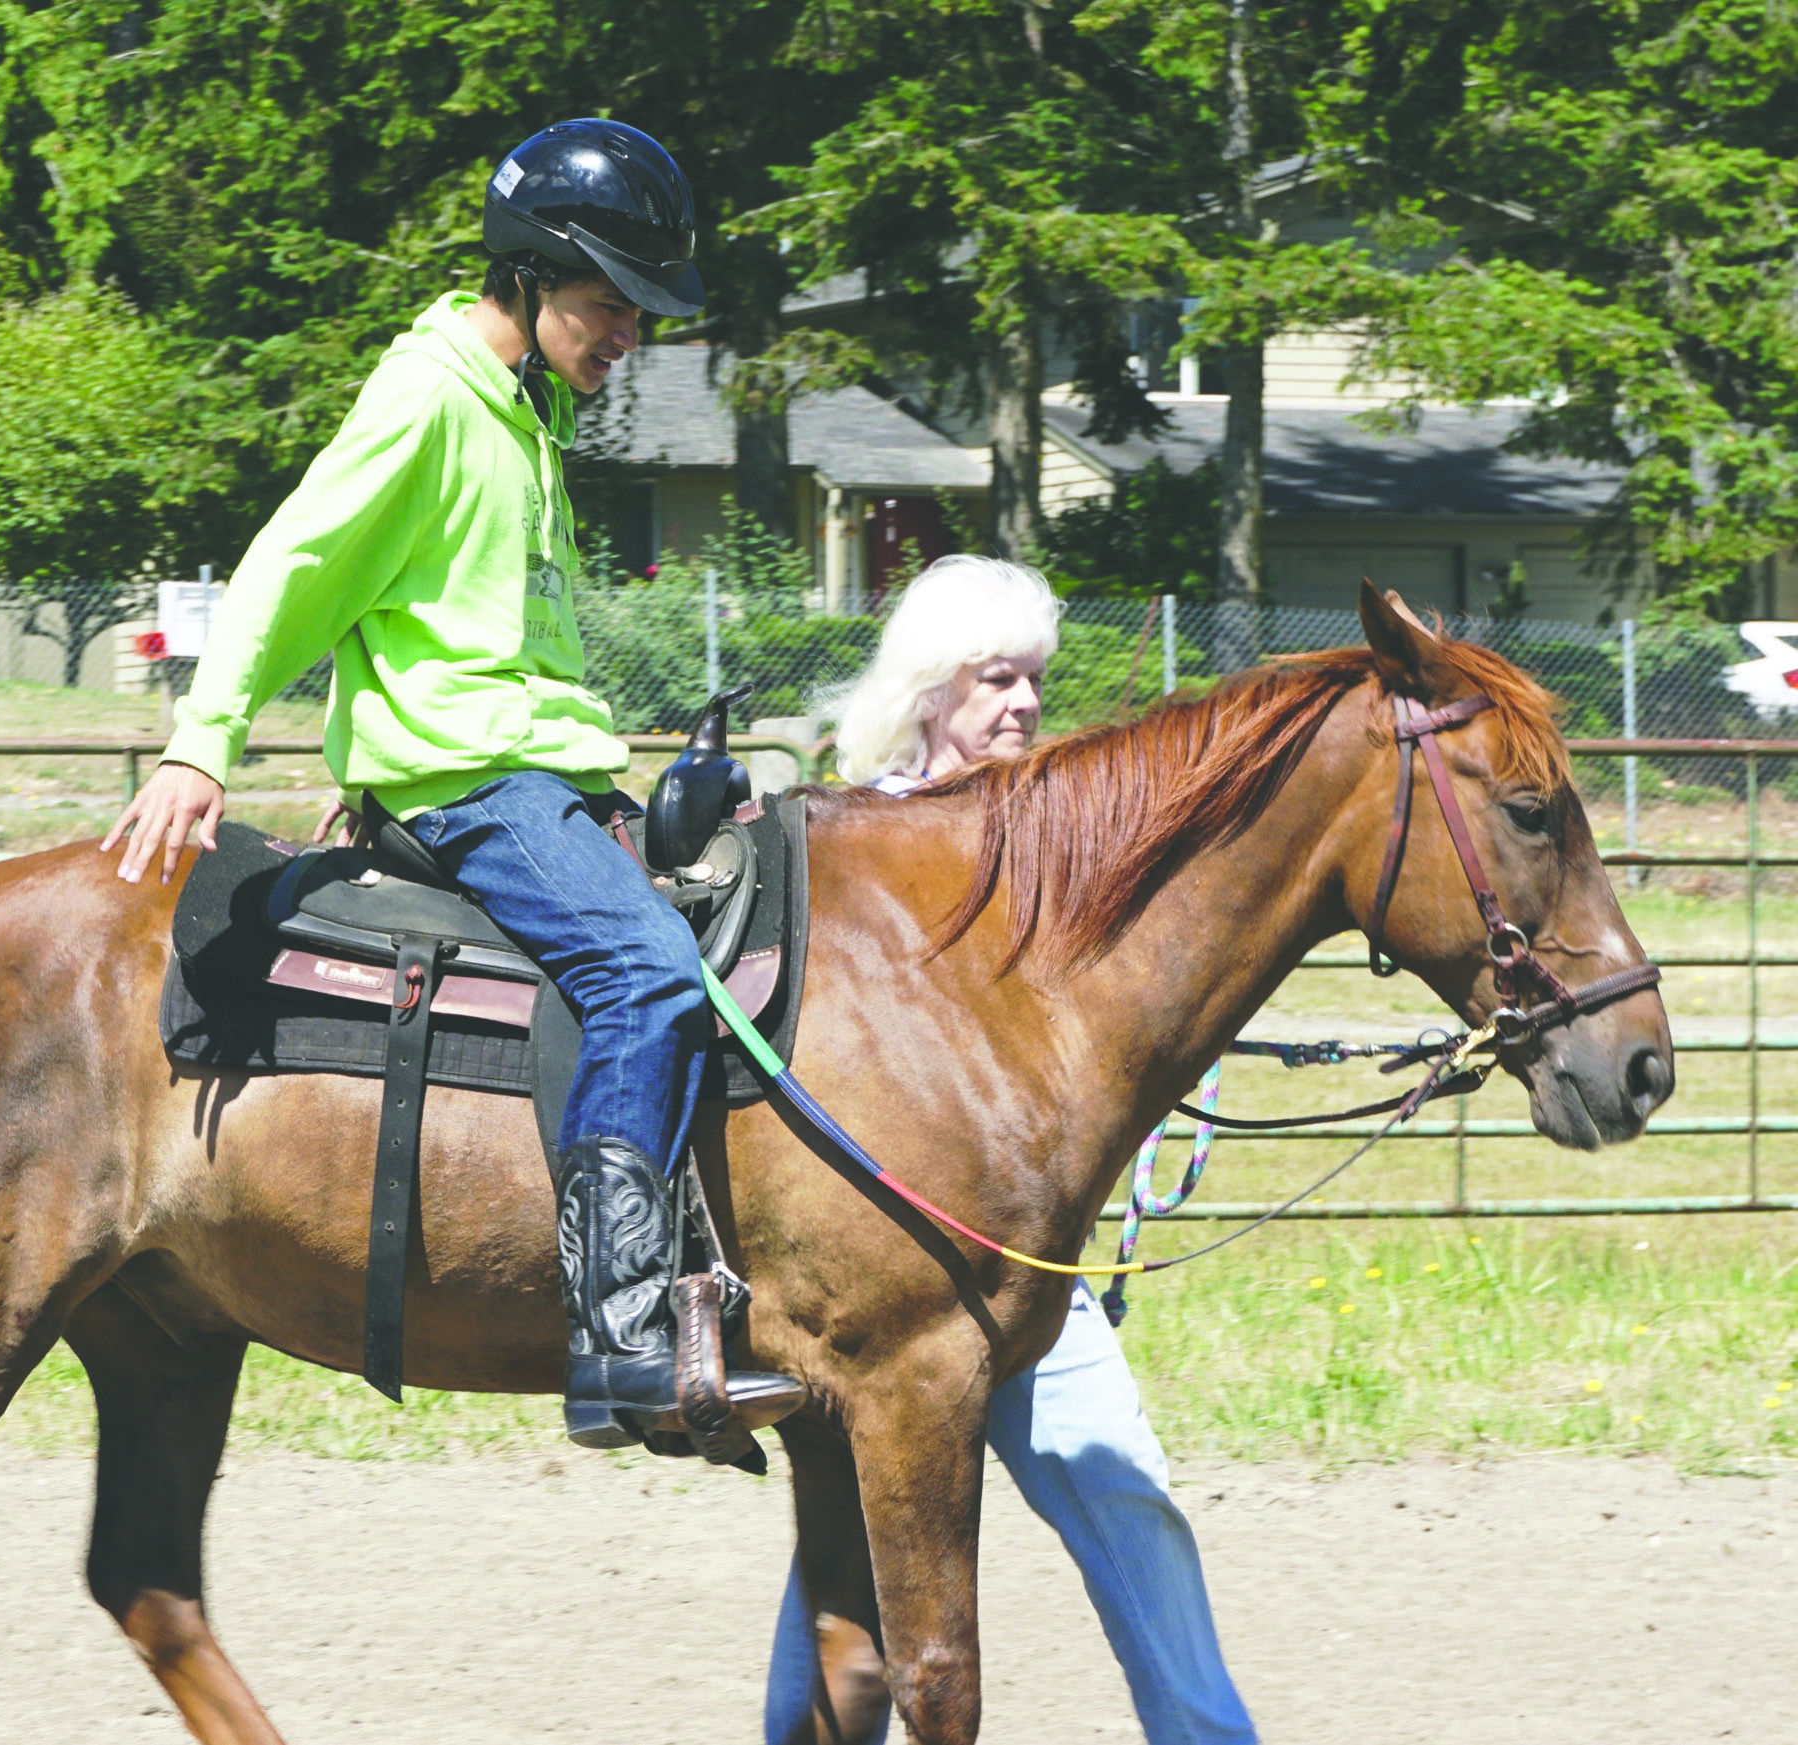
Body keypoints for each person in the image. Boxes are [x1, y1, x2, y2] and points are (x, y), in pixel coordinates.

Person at [103, 119, 801, 1450]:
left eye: (639, 314)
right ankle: (623, 1331)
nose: (628, 338)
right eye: (610, 305)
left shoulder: (524, 410)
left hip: (527, 769)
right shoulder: (428, 396)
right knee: (649, 974)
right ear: (533, 279)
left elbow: (466, 626)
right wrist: (206, 738)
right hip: (475, 782)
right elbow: (298, 567)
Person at [763, 555, 1256, 1745]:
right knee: (853, 1561)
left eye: (1034, 678)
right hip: (880, 1267)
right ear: (932, 688)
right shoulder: (856, 837)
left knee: (1119, 1490)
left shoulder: (1056, 838)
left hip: (1014, 1258)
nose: (1025, 703)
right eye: (996, 679)